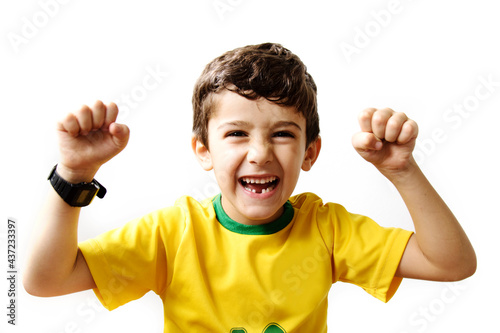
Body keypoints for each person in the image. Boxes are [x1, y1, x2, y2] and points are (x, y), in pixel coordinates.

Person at [23, 43, 476, 332]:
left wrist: (403, 171)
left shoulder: (327, 229)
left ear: (310, 152)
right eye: (237, 133)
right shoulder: (173, 234)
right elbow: (45, 281)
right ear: (203, 151)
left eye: (282, 134)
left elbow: (452, 264)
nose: (260, 153)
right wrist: (73, 176)